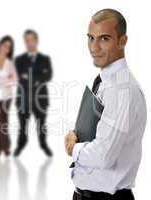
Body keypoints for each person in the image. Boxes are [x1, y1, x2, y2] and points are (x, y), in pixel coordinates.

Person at [64, 9, 147, 200]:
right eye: (91, 38)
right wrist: (75, 134)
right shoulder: (106, 81)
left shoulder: (122, 91)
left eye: (104, 39)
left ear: (122, 41)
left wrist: (72, 148)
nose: (94, 47)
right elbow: (97, 127)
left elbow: (104, 155)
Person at [14, 29, 53, 157]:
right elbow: (18, 76)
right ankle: (20, 145)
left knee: (41, 125)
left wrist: (30, 77)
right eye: (26, 40)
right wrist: (38, 75)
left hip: (40, 98)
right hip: (23, 99)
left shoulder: (45, 59)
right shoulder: (19, 60)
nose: (29, 43)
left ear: (36, 41)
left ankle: (43, 145)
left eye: (31, 40)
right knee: (22, 126)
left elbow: (48, 76)